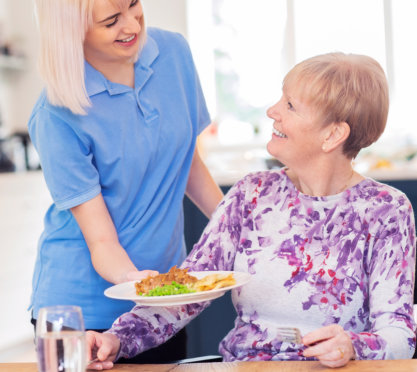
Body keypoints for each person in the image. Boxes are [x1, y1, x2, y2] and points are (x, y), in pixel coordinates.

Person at [85, 52, 416, 369]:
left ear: (332, 134)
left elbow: (399, 334)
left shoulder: (386, 210)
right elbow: (189, 292)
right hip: (247, 366)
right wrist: (118, 339)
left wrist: (352, 347)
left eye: (290, 105)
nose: (273, 111)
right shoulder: (251, 194)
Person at [28, 0, 223, 363]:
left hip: (161, 305)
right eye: (111, 20)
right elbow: (101, 241)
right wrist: (142, 285)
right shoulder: (57, 115)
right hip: (84, 308)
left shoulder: (173, 54)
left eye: (133, 3)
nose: (133, 25)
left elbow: (185, 161)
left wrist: (238, 225)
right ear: (72, 29)